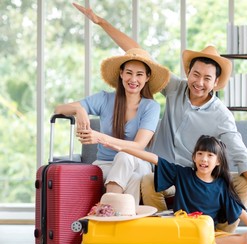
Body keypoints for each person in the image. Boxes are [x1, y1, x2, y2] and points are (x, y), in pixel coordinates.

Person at [72, 2, 247, 233]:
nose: (199, 83)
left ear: (216, 83)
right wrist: (101, 22)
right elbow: (140, 54)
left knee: (246, 185)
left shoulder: (221, 114)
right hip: (163, 174)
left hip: (194, 177)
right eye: (196, 74)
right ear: (188, 73)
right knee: (149, 182)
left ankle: (220, 235)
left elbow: (239, 151)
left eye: (207, 78)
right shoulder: (175, 88)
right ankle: (165, 232)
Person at [101, 134, 247, 244]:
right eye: (200, 154)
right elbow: (153, 158)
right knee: (159, 231)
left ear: (218, 162)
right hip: (181, 228)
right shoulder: (182, 174)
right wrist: (122, 147)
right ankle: (188, 243)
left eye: (210, 155)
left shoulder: (222, 185)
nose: (204, 159)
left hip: (208, 234)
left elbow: (240, 211)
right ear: (193, 157)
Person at [54, 47, 170, 205]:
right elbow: (59, 109)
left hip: (138, 163)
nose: (133, 79)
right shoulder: (104, 99)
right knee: (134, 178)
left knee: (126, 155)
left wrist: (99, 137)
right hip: (105, 165)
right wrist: (79, 109)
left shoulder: (151, 107)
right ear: (121, 73)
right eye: (129, 72)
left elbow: (138, 146)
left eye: (139, 74)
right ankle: (123, 222)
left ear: (147, 77)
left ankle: (106, 207)